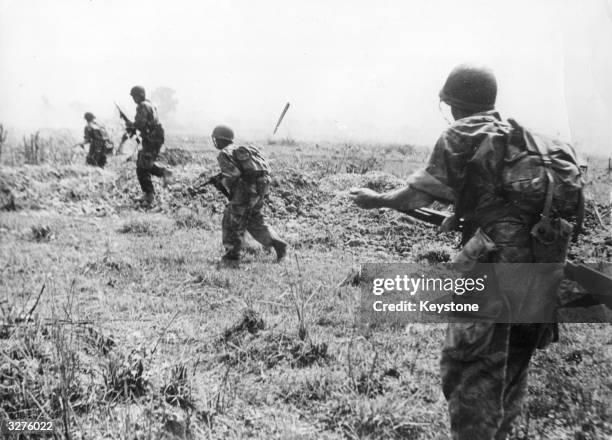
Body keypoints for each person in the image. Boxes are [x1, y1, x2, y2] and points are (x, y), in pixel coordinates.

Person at [350, 64, 584, 439]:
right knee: (512, 370)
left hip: (493, 272)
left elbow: (416, 195)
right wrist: (467, 217)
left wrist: (376, 200)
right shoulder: (521, 140)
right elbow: (509, 205)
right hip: (544, 270)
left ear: (453, 104)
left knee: (469, 370)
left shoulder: (462, 133)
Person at [211, 125, 288, 266]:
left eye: (216, 139)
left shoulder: (224, 153)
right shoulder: (245, 148)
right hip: (263, 185)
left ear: (220, 140)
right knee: (255, 220)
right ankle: (278, 243)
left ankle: (231, 257)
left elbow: (233, 174)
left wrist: (220, 181)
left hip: (248, 186)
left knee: (232, 219)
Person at [128, 86, 172, 207]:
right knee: (143, 163)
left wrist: (131, 125)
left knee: (141, 167)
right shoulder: (149, 104)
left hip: (152, 138)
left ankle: (149, 194)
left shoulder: (142, 105)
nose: (133, 99)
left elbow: (140, 123)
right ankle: (161, 176)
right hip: (154, 137)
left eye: (134, 96)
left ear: (140, 95)